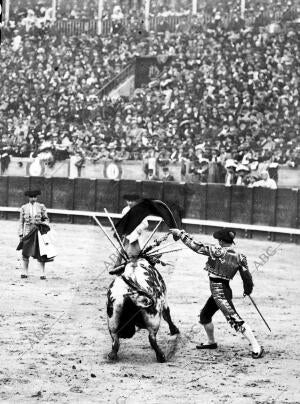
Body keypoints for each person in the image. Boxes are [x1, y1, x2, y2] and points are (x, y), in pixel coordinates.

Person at [169, 227, 264, 359]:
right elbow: (247, 277)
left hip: (220, 292)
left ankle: (256, 347)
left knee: (234, 319)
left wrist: (180, 234)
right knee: (205, 316)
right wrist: (248, 290)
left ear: (220, 241)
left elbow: (196, 246)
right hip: (221, 290)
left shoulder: (216, 251)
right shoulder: (240, 257)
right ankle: (211, 342)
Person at [18, 189, 51, 280]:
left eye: (35, 197)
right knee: (25, 252)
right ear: (28, 197)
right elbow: (21, 222)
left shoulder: (41, 207)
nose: (33, 198)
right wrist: (21, 234)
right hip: (28, 232)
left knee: (41, 252)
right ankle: (25, 272)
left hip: (38, 232)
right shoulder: (24, 207)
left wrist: (43, 226)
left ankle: (42, 273)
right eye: (31, 197)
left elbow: (46, 219)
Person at [112, 194, 149, 272]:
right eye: (128, 201)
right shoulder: (125, 210)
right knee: (123, 248)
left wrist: (140, 228)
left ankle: (134, 266)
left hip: (136, 234)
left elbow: (146, 224)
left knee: (134, 250)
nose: (130, 203)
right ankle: (117, 265)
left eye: (132, 201)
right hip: (128, 233)